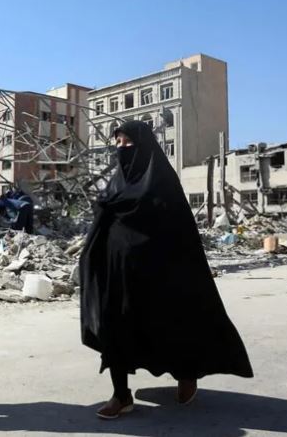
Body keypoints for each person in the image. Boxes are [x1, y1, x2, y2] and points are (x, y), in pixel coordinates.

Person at [79, 121, 253, 420]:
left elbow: (180, 234)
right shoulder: (116, 186)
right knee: (116, 329)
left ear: (145, 146)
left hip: (159, 276)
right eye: (117, 143)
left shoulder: (163, 184)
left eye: (128, 143)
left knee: (172, 325)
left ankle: (186, 373)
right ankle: (121, 395)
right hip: (118, 276)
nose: (122, 149)